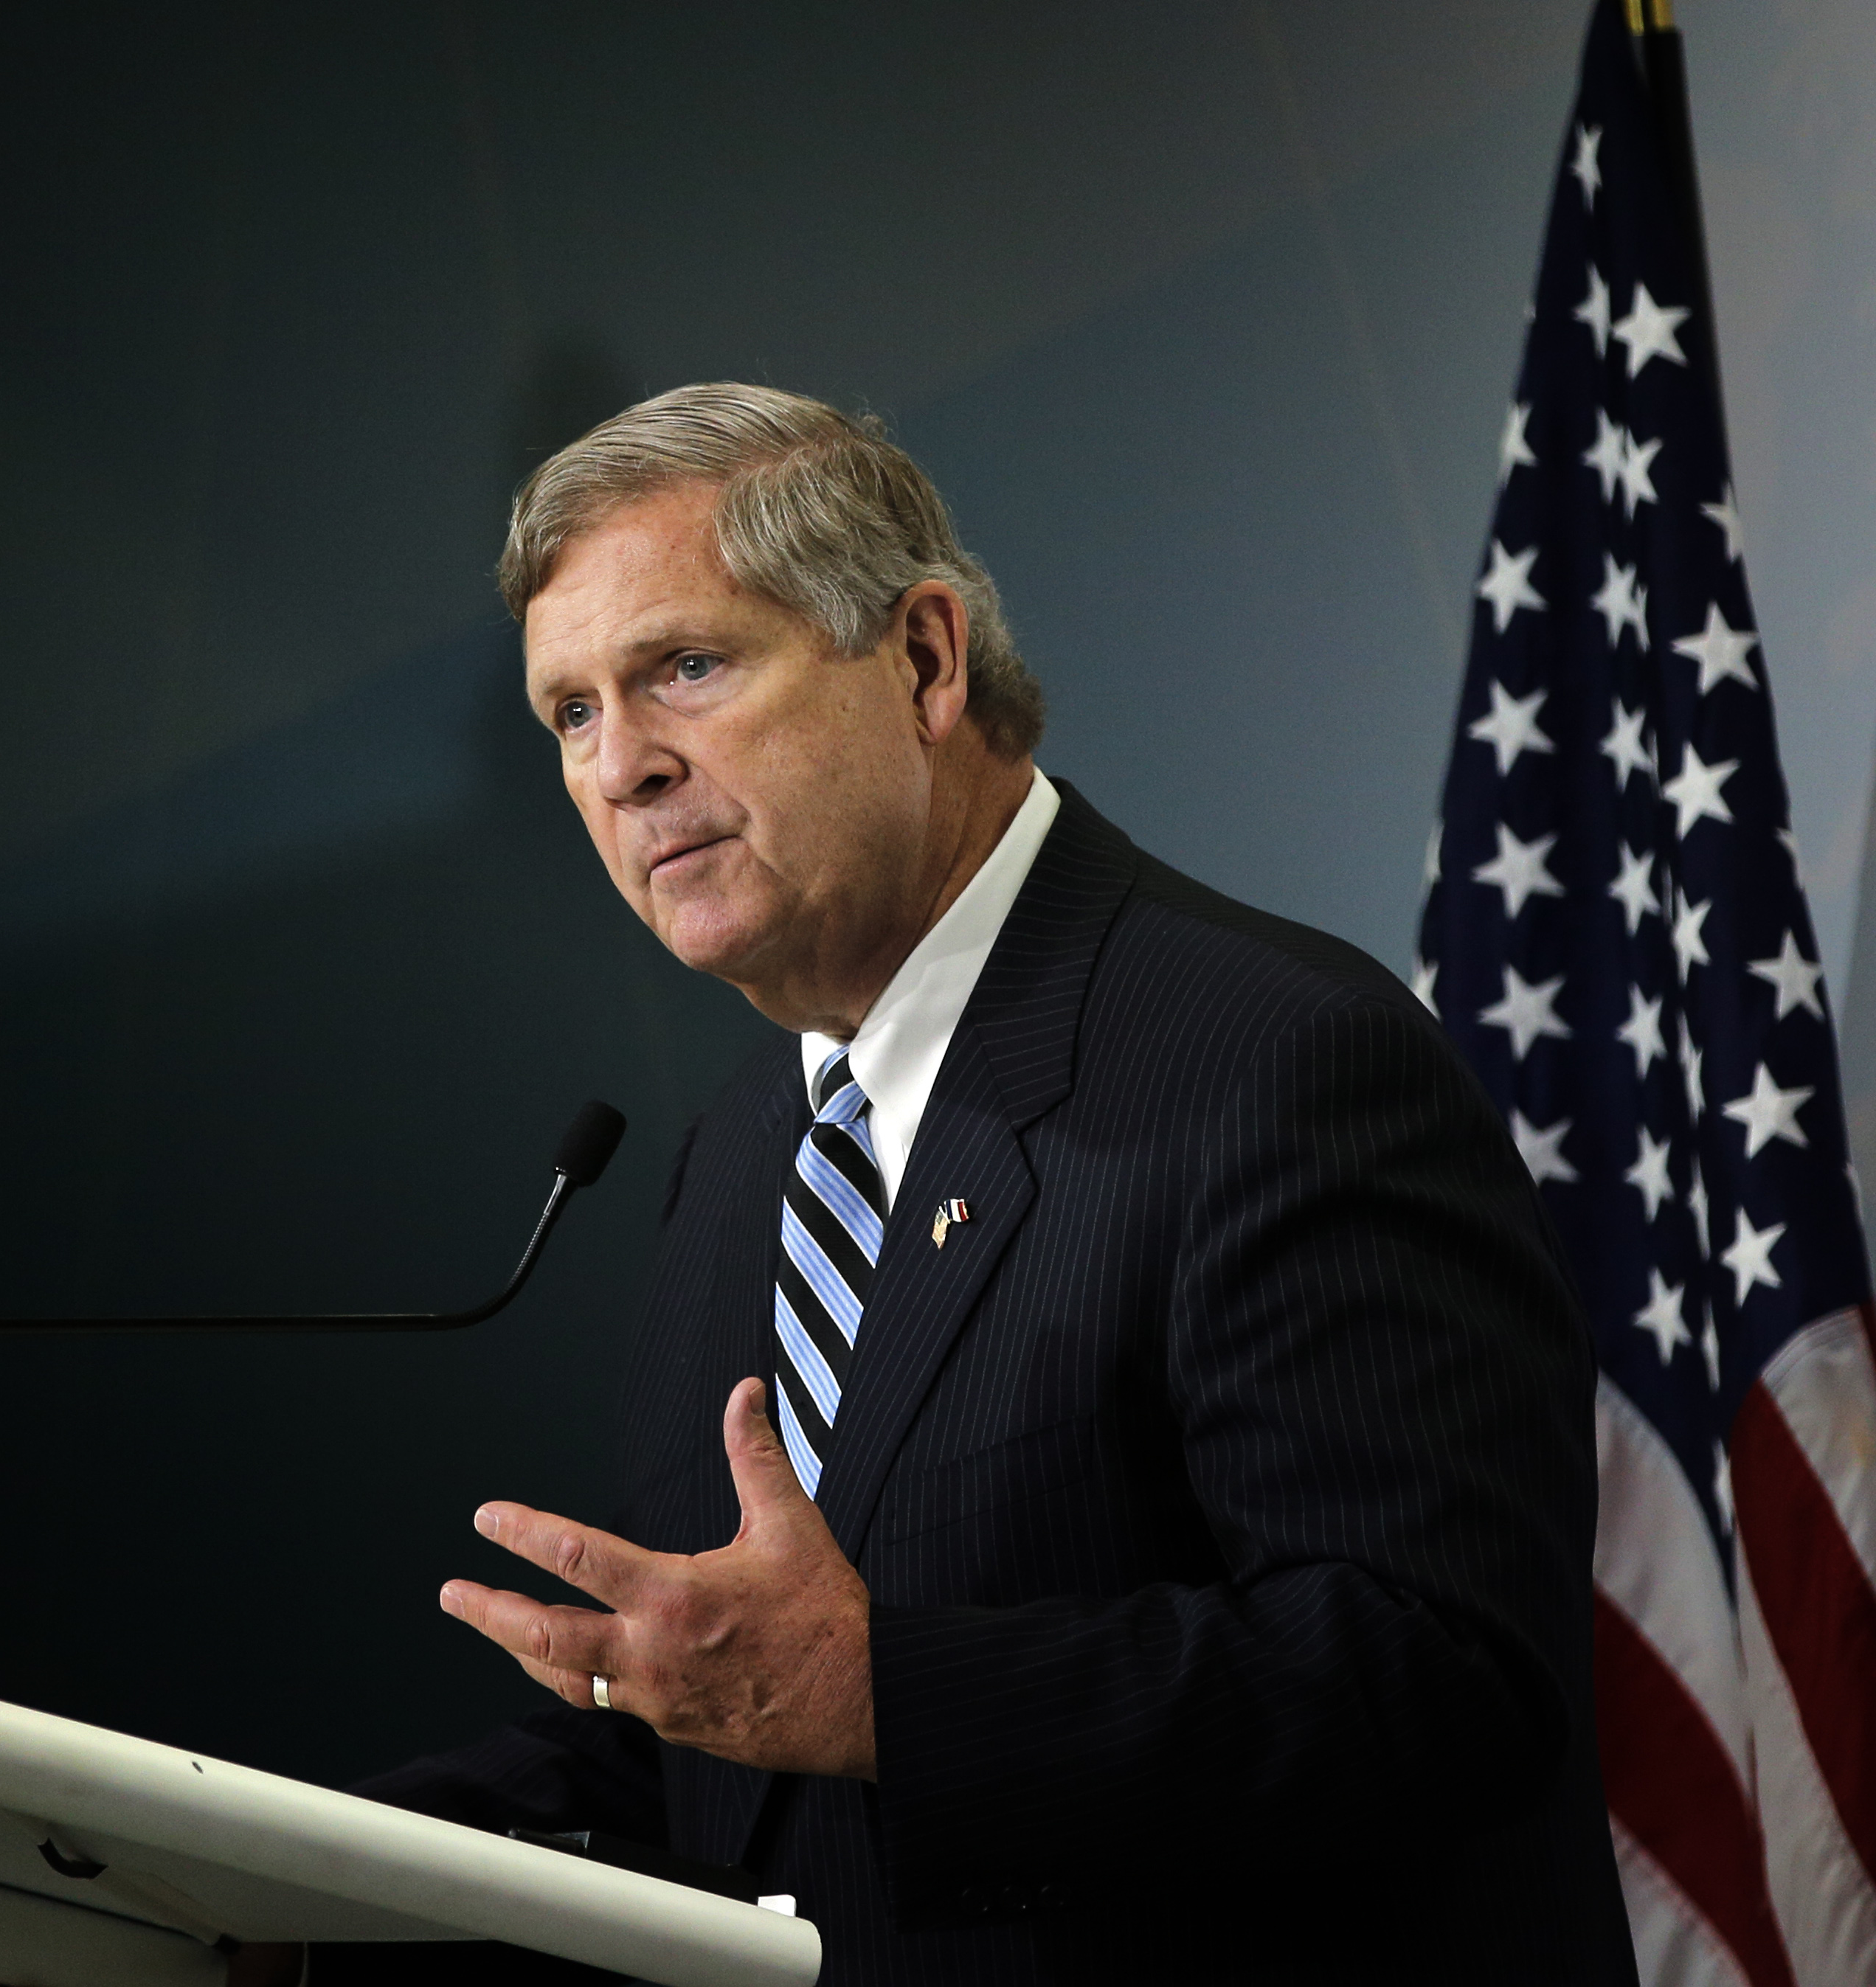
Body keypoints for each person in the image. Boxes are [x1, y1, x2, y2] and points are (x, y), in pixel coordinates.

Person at [249, 383, 1632, 1986]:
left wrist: (889, 1694)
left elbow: (1448, 1681)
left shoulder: (1276, 1060)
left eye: (684, 667)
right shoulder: (742, 1158)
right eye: (570, 714)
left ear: (921, 659)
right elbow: (716, 1755)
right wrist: (256, 1900)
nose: (622, 765)